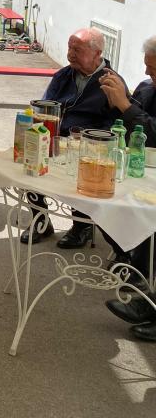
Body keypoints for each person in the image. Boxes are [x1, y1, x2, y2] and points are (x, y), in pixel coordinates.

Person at [20, 28, 127, 247]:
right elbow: (44, 107)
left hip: (90, 148)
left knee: (83, 167)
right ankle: (40, 218)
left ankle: (82, 227)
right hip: (56, 140)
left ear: (97, 54)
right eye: (69, 48)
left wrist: (88, 139)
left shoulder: (112, 83)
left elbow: (118, 124)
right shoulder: (63, 75)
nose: (70, 54)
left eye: (77, 50)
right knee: (31, 153)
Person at [99, 36, 156, 342]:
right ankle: (142, 287)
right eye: (147, 67)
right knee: (105, 198)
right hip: (143, 173)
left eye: (153, 69)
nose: (147, 74)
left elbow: (152, 133)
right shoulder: (147, 88)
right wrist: (117, 103)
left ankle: (148, 300)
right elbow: (130, 126)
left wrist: (125, 104)